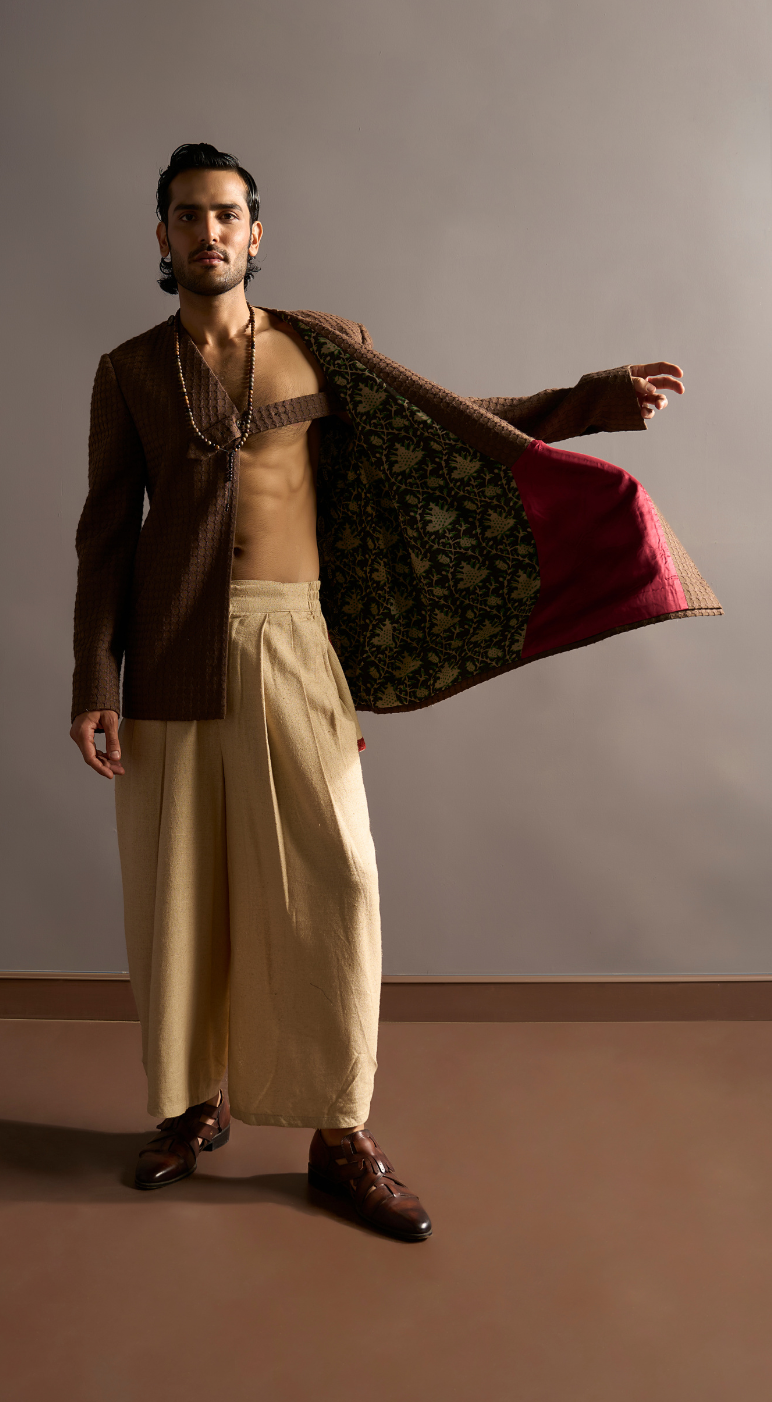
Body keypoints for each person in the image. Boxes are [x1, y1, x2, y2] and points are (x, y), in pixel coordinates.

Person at [69, 142, 719, 1243]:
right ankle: (188, 1106)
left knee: (334, 882)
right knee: (179, 888)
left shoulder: (321, 345)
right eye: (186, 216)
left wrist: (586, 403)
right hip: (170, 651)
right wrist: (94, 677)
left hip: (294, 638)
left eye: (225, 214)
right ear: (162, 236)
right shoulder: (130, 370)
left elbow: (445, 427)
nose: (208, 232)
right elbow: (105, 537)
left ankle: (338, 1137)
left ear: (255, 232)